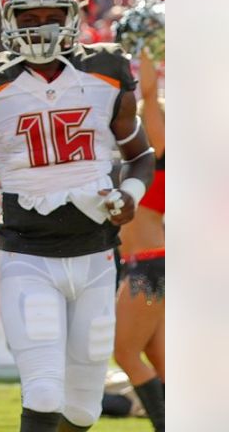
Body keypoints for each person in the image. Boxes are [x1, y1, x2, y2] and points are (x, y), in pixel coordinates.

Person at [0, 0, 155, 432]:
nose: (41, 27)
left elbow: (141, 155)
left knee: (83, 409)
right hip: (28, 255)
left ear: (72, 15)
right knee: (41, 392)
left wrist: (130, 193)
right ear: (8, 18)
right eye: (29, 17)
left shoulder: (106, 71)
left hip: (97, 256)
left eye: (51, 15)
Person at [113, 50, 164, 430]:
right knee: (156, 353)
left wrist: (145, 46)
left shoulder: (160, 153)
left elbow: (148, 90)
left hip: (150, 264)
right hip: (150, 262)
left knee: (125, 352)